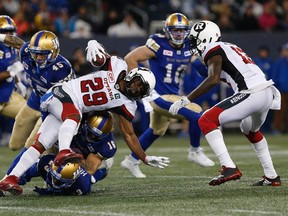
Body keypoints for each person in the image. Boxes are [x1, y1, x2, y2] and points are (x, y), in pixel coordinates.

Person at [0, 39, 170, 195]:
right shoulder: (118, 66)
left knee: (40, 144)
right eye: (138, 83)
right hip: (62, 92)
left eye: (142, 89)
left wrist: (144, 157)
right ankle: (64, 151)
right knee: (75, 115)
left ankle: (11, 178)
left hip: (62, 108)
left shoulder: (128, 104)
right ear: (133, 75)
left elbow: (129, 135)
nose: (137, 88)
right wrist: (94, 45)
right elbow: (99, 59)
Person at [169, 20, 281, 186]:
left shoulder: (212, 48)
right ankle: (271, 176)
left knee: (206, 119)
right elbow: (208, 70)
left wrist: (187, 98)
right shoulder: (225, 48)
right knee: (249, 130)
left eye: (194, 40)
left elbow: (212, 78)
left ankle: (229, 167)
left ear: (205, 38)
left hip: (251, 92)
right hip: (266, 93)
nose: (192, 44)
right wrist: (192, 59)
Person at [121, 13, 214, 179]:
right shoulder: (158, 44)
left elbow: (201, 69)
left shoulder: (188, 46)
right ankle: (195, 150)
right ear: (167, 30)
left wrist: (212, 65)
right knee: (198, 115)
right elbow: (130, 58)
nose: (179, 34)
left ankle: (132, 160)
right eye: (175, 30)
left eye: (182, 30)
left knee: (156, 130)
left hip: (172, 95)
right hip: (157, 96)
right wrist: (140, 87)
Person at [0, 30, 75, 176]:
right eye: (36, 53)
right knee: (14, 144)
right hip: (34, 100)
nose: (39, 57)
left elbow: (66, 99)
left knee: (31, 145)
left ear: (54, 52)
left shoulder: (61, 69)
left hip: (51, 107)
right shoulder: (28, 54)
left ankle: (11, 176)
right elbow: (16, 42)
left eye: (43, 54)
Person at [16, 112, 116, 196]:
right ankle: (16, 178)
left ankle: (85, 180)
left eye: (96, 137)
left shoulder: (106, 144)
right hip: (60, 146)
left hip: (82, 159)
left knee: (90, 176)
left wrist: (72, 157)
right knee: (43, 162)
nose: (92, 138)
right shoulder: (78, 117)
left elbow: (89, 168)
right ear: (85, 123)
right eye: (90, 133)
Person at [0, 15, 26, 134]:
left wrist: (18, 82)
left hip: (7, 95)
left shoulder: (11, 48)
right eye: (6, 31)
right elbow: (11, 70)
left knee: (32, 114)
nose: (9, 35)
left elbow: (11, 67)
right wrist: (11, 72)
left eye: (11, 31)